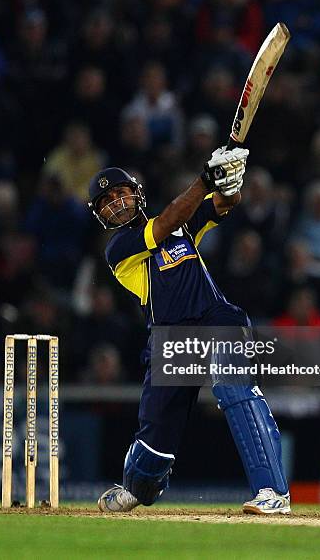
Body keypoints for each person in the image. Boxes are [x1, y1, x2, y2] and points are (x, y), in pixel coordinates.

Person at [88, 145, 290, 515]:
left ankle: (272, 492)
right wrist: (204, 180)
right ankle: (136, 487)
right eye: (106, 201)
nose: (116, 203)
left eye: (120, 192)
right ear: (100, 214)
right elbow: (165, 223)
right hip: (169, 341)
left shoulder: (182, 224)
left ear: (136, 192)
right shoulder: (119, 248)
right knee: (152, 451)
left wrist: (228, 181)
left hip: (217, 320)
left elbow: (226, 203)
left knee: (233, 388)